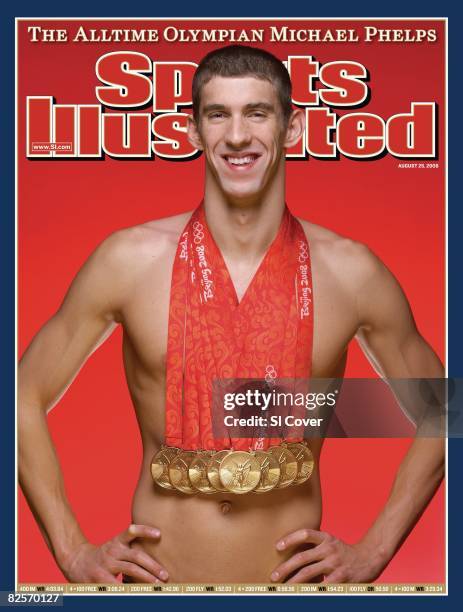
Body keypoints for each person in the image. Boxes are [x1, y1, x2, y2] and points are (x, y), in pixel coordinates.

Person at [18, 45, 444, 585]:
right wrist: (71, 549)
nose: (237, 135)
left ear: (292, 129)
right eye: (218, 114)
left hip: (291, 593)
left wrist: (375, 549)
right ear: (194, 132)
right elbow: (21, 395)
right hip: (159, 590)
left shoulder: (351, 271)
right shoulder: (126, 259)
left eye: (257, 113)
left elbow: (441, 410)